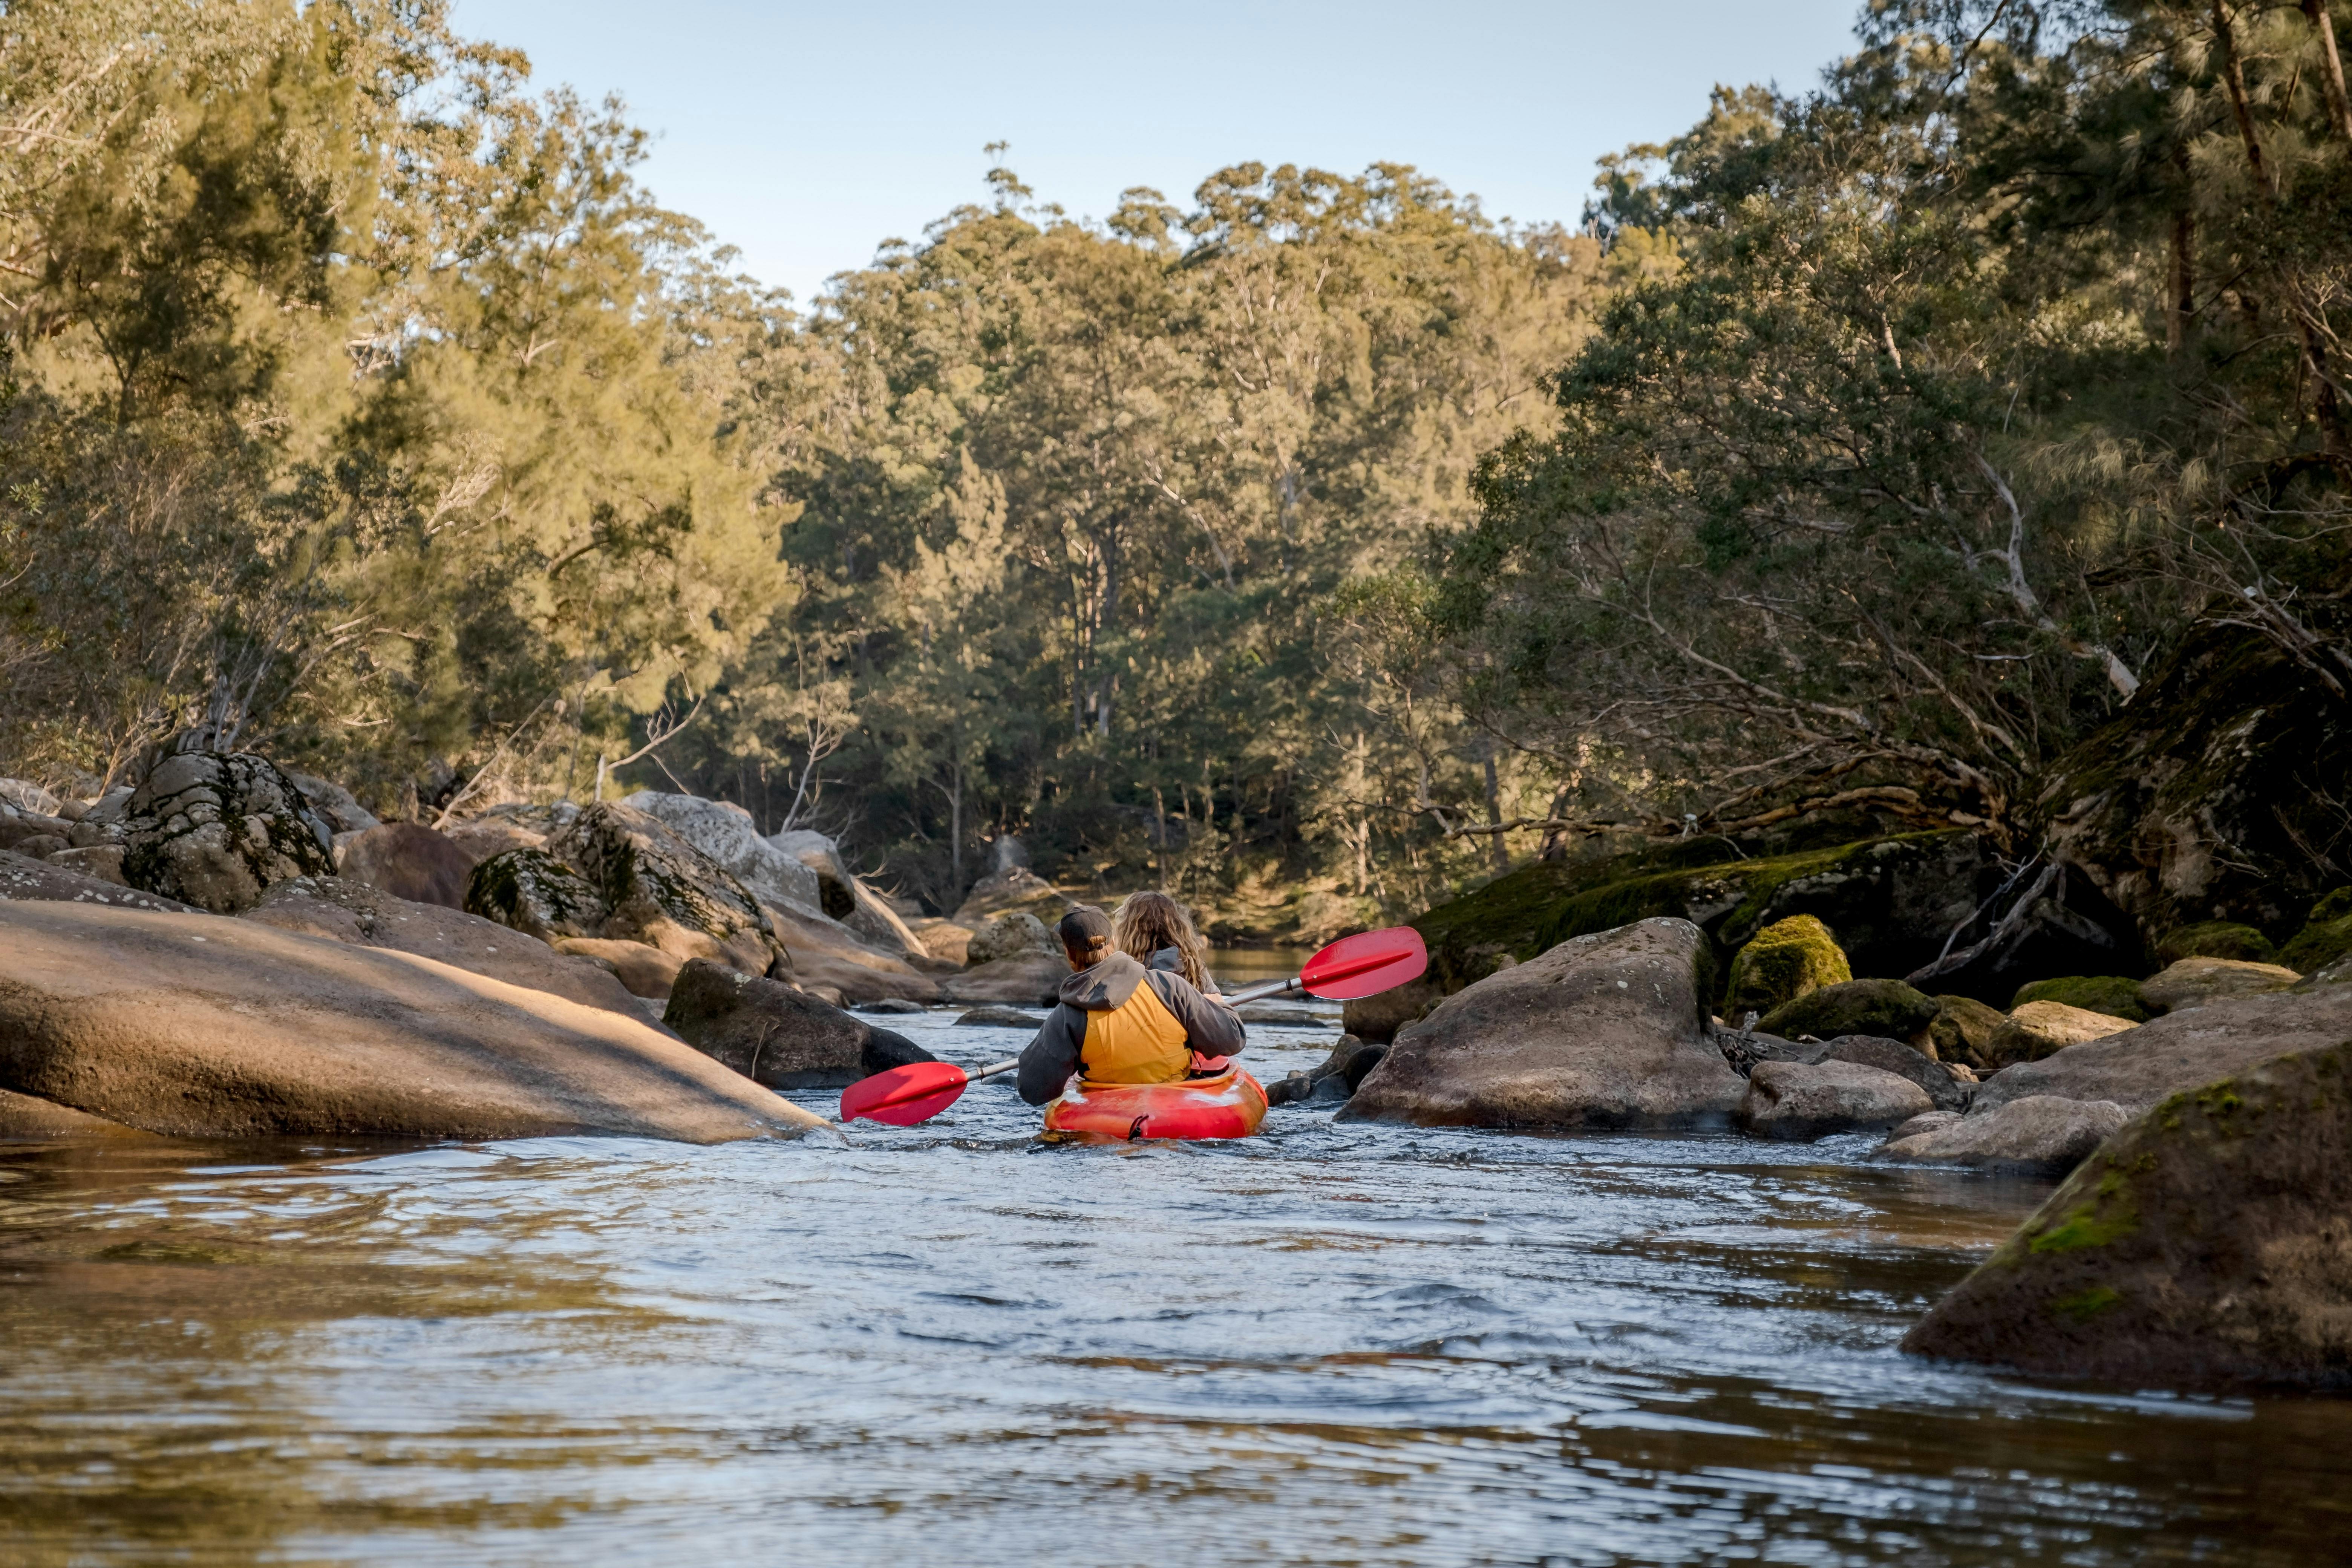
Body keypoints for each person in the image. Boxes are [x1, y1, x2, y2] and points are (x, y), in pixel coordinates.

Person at [1016, 904, 1246, 1106]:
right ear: (1114, 943)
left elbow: (1033, 1091)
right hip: (1173, 1107)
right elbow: (1233, 1040)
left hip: (1108, 1118)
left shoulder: (1068, 1015)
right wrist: (1220, 1006)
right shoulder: (1169, 986)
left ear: (1069, 955)